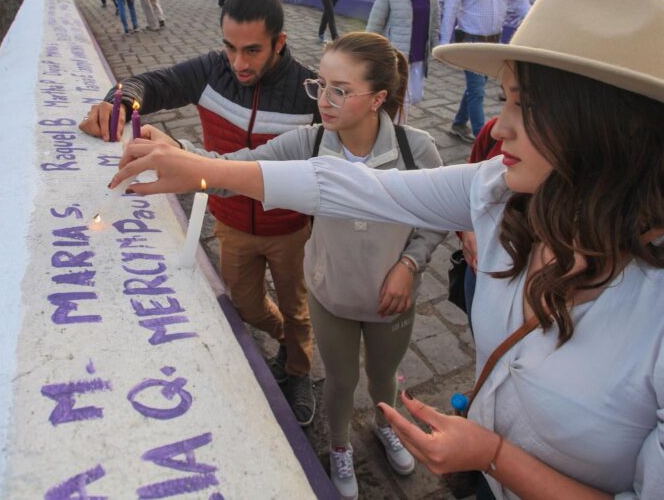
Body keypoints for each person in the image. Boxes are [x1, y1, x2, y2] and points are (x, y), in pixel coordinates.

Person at [112, 0, 664, 500]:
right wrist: (199, 167)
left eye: (522, 106)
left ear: (605, 126)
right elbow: (353, 185)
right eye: (502, 98)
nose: (496, 127)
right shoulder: (503, 193)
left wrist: (496, 454)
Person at [142, 33, 445, 500]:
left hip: (392, 297)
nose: (323, 100)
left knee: (384, 377)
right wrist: (178, 152)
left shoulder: (415, 151)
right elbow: (233, 170)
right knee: (341, 380)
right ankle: (341, 446)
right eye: (319, 85)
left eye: (339, 90)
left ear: (378, 99)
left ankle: (389, 424)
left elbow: (436, 218)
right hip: (331, 292)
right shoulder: (310, 142)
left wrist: (410, 263)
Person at [80, 0, 322, 427]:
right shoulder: (211, 70)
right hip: (228, 219)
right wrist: (120, 100)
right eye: (230, 47)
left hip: (289, 228)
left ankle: (299, 369)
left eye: (252, 50)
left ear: (279, 42)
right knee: (247, 303)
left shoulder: (309, 90)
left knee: (296, 304)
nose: (238, 62)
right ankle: (289, 341)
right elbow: (148, 84)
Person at [442, 0, 530, 143]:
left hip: (495, 42)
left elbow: (522, 5)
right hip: (470, 41)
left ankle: (459, 124)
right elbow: (451, 8)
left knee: (476, 87)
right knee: (478, 92)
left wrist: (534, 29)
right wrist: (443, 45)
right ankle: (486, 143)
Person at [366, 0, 441, 118]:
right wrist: (371, 55)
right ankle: (397, 133)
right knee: (401, 100)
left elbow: (435, 23)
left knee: (415, 97)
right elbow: (374, 27)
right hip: (398, 57)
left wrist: (435, 48)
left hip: (420, 55)